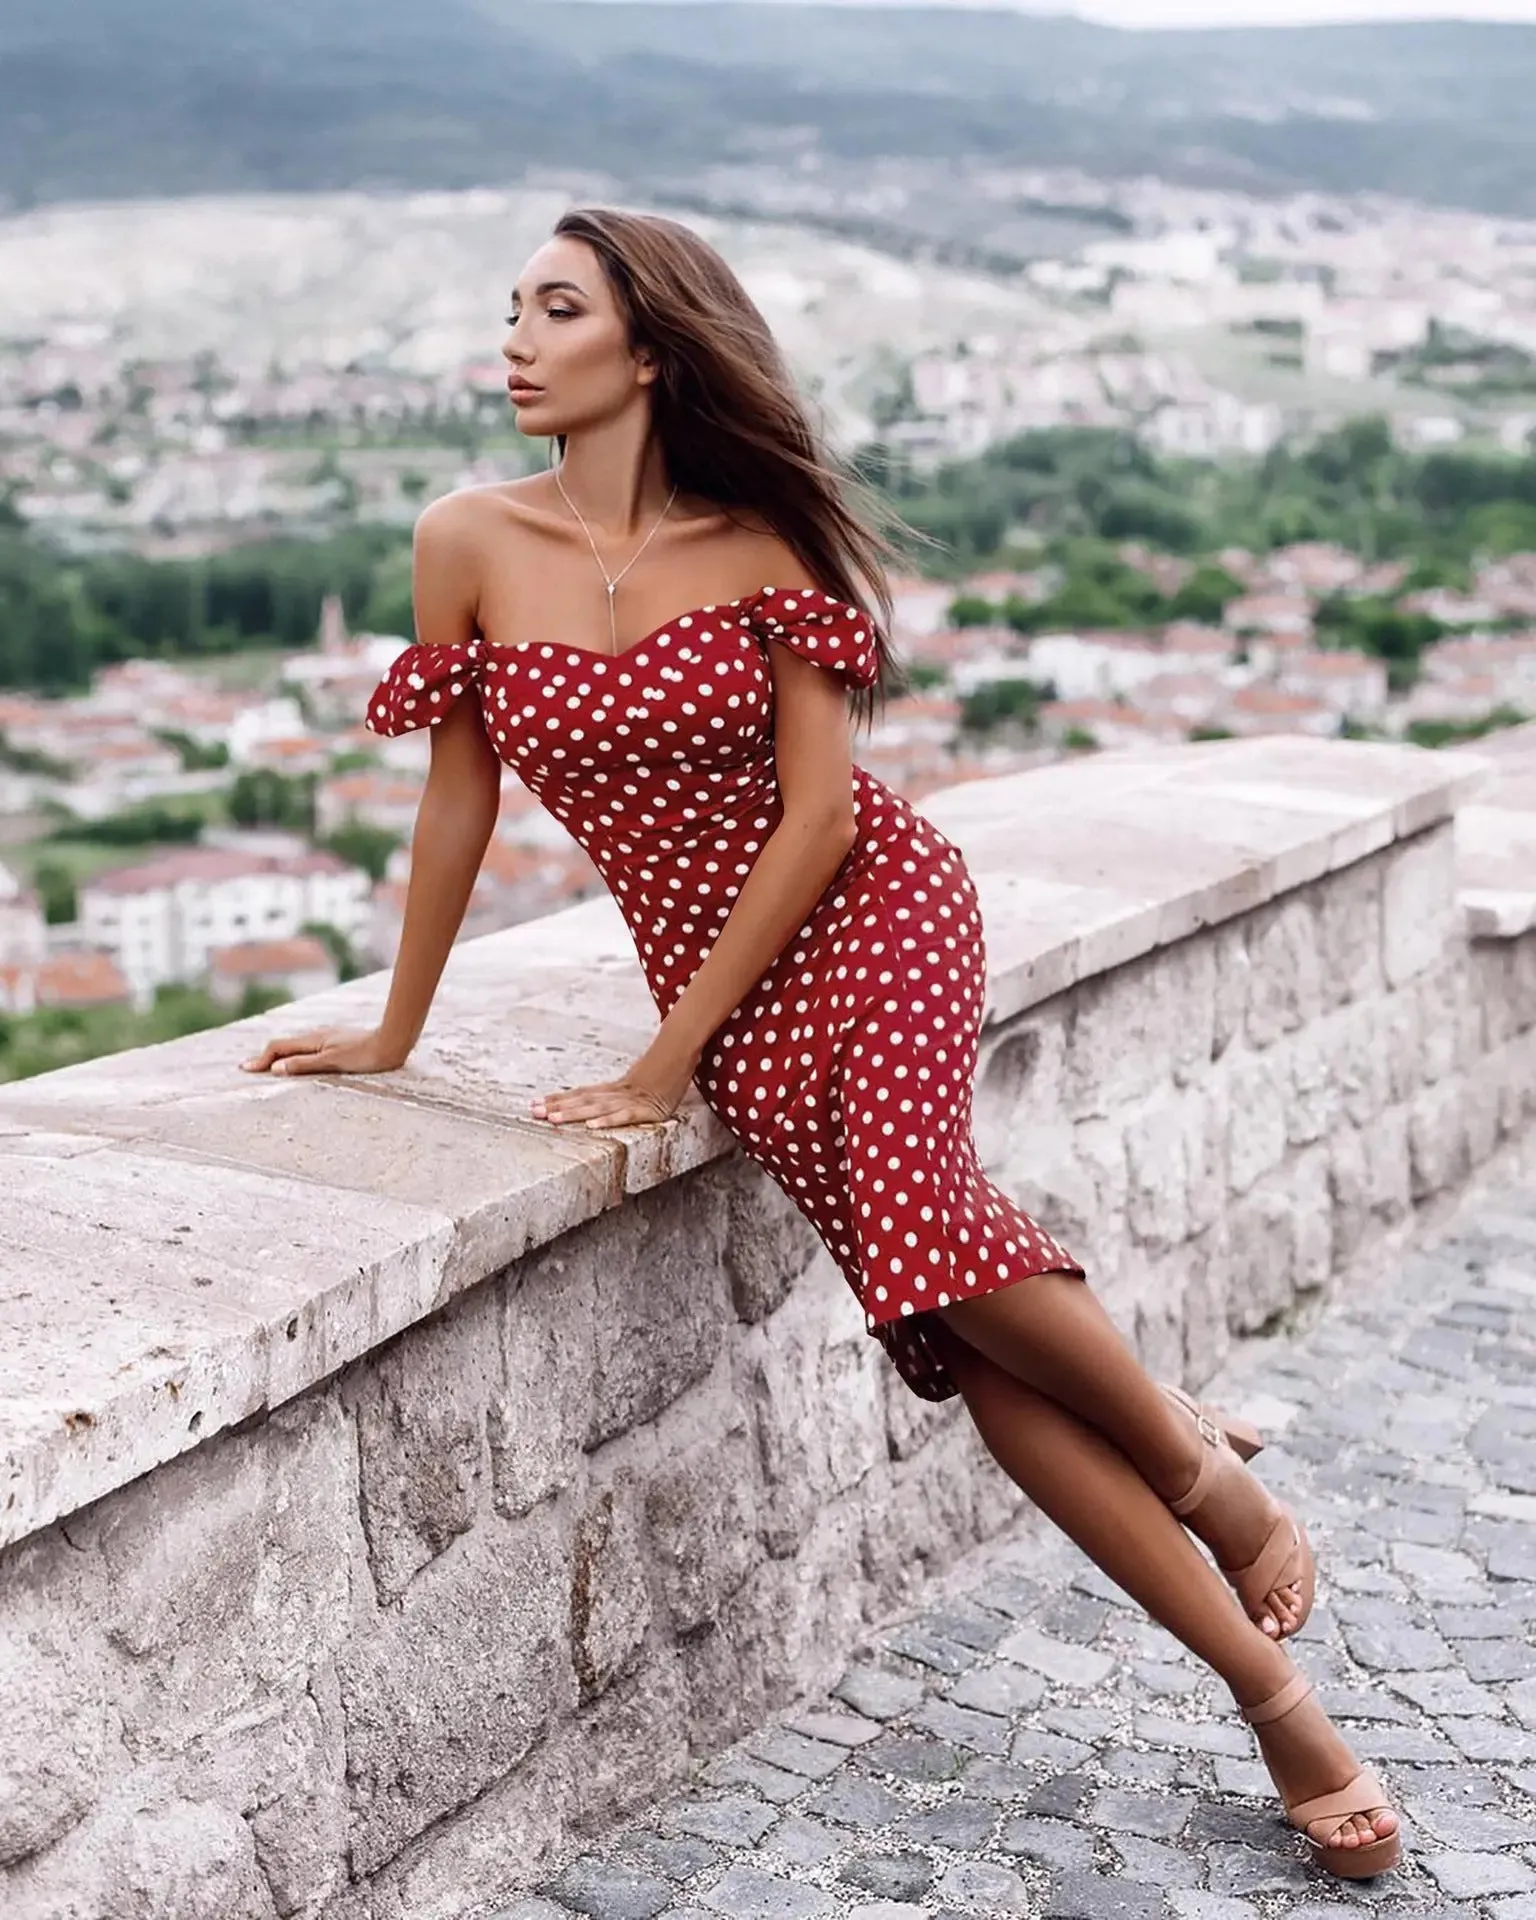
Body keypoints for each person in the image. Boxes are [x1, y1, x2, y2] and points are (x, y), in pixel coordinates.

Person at [241, 206, 1399, 1881]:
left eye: (551, 308)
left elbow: (811, 823)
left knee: (922, 1215)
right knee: (958, 1333)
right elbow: (457, 798)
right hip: (721, 979)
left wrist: (664, 1060)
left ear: (647, 349)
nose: (509, 340)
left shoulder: (765, 534)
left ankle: (1224, 1517)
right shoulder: (466, 538)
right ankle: (1261, 1665)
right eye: (509, 308)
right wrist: (394, 1026)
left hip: (866, 910)